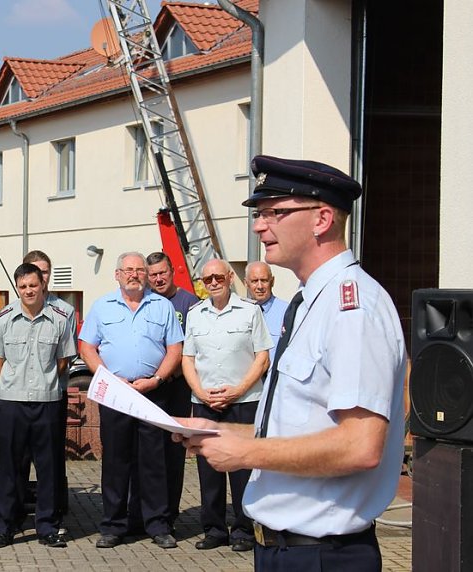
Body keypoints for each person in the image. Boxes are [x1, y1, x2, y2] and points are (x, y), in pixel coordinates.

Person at [179, 155, 406, 571]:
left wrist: (246, 452)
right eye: (260, 214)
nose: (259, 225)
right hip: (284, 550)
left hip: (321, 554)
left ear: (322, 219)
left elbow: (360, 445)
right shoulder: (307, 304)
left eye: (275, 212)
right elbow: (300, 426)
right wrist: (224, 430)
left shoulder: (351, 308)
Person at [78, 252, 183, 550]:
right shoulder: (102, 306)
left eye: (139, 270)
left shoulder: (161, 306)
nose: (134, 274)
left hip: (153, 393)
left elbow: (175, 348)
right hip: (116, 394)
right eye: (128, 270)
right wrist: (108, 378)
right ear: (118, 275)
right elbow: (87, 347)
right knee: (116, 462)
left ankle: (157, 524)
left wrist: (158, 379)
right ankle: (112, 525)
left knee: (154, 462)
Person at [182, 258, 272, 552]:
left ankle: (244, 530)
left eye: (218, 278)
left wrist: (237, 390)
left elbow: (262, 357)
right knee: (209, 470)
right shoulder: (195, 314)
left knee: (243, 469)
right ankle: (214, 529)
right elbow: (188, 360)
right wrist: (201, 393)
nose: (213, 283)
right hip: (206, 402)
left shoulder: (250, 311)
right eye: (207, 279)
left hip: (243, 402)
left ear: (230, 277)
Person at [0, 264, 76, 549]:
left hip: (47, 402)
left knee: (48, 468)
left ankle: (47, 527)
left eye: (33, 285)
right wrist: (17, 383)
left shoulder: (59, 318)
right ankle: (4, 527)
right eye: (23, 287)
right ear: (18, 288)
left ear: (42, 285)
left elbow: (63, 361)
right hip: (12, 403)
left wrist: (40, 382)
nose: (28, 291)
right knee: (10, 467)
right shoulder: (4, 319)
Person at [144, 252, 199, 528]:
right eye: (152, 275)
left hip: (176, 386)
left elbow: (194, 346)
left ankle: (170, 513)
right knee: (147, 452)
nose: (158, 279)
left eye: (162, 273)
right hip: (148, 387)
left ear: (172, 271)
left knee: (173, 451)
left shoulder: (189, 303)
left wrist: (169, 372)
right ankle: (146, 511)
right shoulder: (143, 300)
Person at [245, 261, 289, 364]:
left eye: (264, 280)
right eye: (254, 281)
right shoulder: (240, 313)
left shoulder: (287, 311)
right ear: (246, 283)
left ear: (272, 281)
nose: (260, 286)